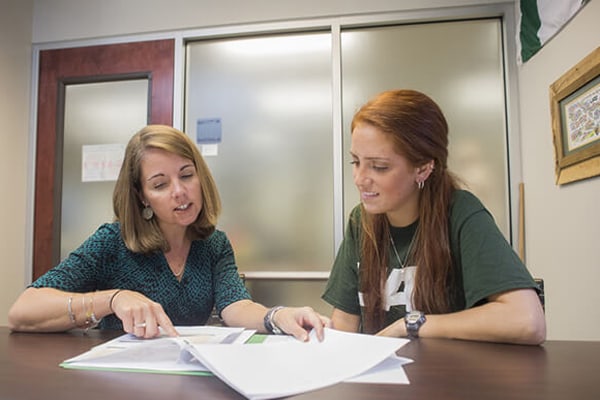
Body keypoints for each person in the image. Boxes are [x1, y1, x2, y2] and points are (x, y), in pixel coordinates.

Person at [9, 124, 330, 341]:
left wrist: (278, 316)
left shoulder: (213, 243)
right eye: (160, 184)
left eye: (187, 175)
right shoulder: (112, 241)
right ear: (141, 196)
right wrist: (114, 299)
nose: (180, 191)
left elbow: (235, 306)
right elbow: (23, 310)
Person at [322, 89, 546, 345]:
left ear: (423, 168)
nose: (360, 179)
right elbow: (344, 325)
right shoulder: (361, 222)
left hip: (448, 378)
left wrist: (410, 325)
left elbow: (528, 320)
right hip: (382, 380)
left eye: (379, 166)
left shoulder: (460, 212)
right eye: (355, 162)